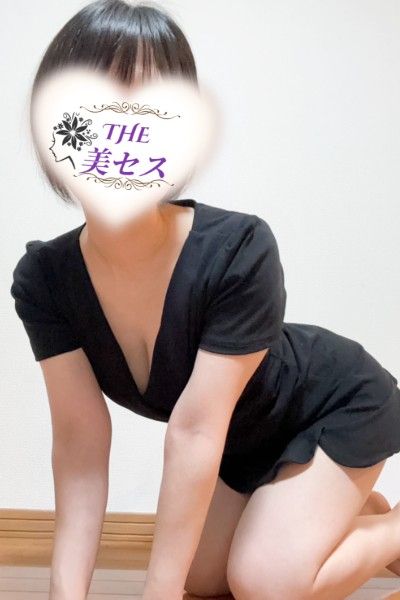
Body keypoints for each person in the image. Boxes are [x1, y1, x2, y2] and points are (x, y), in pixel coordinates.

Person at [10, 1, 400, 599]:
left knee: (263, 582)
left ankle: (389, 529)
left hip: (334, 403)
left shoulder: (240, 248)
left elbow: (194, 433)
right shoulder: (45, 279)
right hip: (243, 440)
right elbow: (80, 444)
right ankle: (340, 508)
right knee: (201, 577)